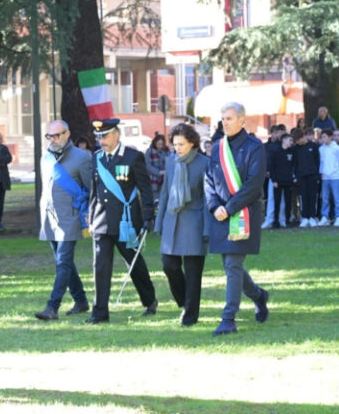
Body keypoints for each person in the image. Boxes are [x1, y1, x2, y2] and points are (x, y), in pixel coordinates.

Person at [205, 102, 269, 336]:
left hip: (243, 215)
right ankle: (259, 295)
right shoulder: (217, 147)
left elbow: (253, 185)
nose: (225, 122)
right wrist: (214, 206)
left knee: (232, 264)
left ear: (242, 120)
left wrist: (229, 208)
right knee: (231, 266)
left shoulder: (254, 147)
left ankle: (228, 318)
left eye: (229, 118)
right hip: (220, 215)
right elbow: (209, 180)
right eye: (223, 118)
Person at [86, 118, 157, 324]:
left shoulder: (133, 157)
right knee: (100, 266)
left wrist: (147, 216)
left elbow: (145, 188)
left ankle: (149, 300)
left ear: (117, 134)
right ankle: (99, 312)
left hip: (126, 221)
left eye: (105, 136)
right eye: (99, 137)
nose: (102, 141)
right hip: (101, 220)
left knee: (134, 264)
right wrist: (91, 217)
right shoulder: (97, 157)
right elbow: (95, 190)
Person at [34, 120, 92, 320]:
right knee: (64, 262)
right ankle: (81, 300)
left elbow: (90, 189)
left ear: (67, 134)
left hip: (70, 217)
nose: (53, 139)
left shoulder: (82, 158)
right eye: (50, 136)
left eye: (57, 135)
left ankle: (52, 307)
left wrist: (87, 214)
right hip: (49, 217)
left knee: (63, 262)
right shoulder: (46, 158)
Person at [154, 124, 209, 326]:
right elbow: (165, 192)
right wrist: (159, 222)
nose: (178, 148)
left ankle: (190, 315)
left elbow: (207, 198)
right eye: (175, 144)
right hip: (172, 220)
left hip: (195, 222)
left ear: (192, 142)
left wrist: (207, 229)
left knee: (194, 273)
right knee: (169, 265)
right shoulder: (170, 161)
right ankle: (185, 302)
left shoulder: (205, 163)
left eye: (182, 144)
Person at [291, 128, 320, 228]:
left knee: (312, 196)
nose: (298, 142)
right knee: (303, 197)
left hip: (312, 175)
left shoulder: (314, 146)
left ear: (303, 136)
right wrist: (296, 175)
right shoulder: (295, 149)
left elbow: (317, 161)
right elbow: (295, 163)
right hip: (301, 176)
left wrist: (317, 175)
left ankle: (312, 217)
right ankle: (305, 217)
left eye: (299, 139)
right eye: (296, 141)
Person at [262, 125, 287, 229]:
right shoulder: (266, 146)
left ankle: (281, 219)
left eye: (280, 132)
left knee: (282, 199)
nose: (278, 135)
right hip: (270, 175)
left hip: (280, 175)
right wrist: (266, 171)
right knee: (271, 197)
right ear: (271, 133)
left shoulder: (281, 146)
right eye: (276, 132)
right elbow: (264, 159)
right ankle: (269, 219)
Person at [318, 130, 339, 226]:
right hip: (325, 176)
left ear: (330, 137)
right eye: (322, 137)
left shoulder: (336, 148)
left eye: (325, 137)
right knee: (325, 198)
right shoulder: (321, 149)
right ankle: (325, 217)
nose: (323, 139)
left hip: (335, 176)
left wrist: (337, 172)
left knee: (337, 198)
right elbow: (321, 162)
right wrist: (322, 173)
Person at [270, 134, 295, 228]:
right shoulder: (276, 152)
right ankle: (276, 221)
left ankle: (287, 220)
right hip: (278, 181)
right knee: (277, 201)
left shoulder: (292, 152)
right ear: (284, 140)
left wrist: (293, 178)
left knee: (288, 201)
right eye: (290, 140)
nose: (291, 142)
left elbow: (293, 166)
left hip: (288, 181)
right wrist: (274, 180)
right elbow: (272, 167)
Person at [145, 134, 169, 198]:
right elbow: (148, 165)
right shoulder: (149, 151)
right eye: (159, 144)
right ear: (155, 143)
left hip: (165, 179)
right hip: (153, 180)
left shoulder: (166, 151)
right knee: (156, 199)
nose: (160, 146)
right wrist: (158, 172)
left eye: (162, 144)